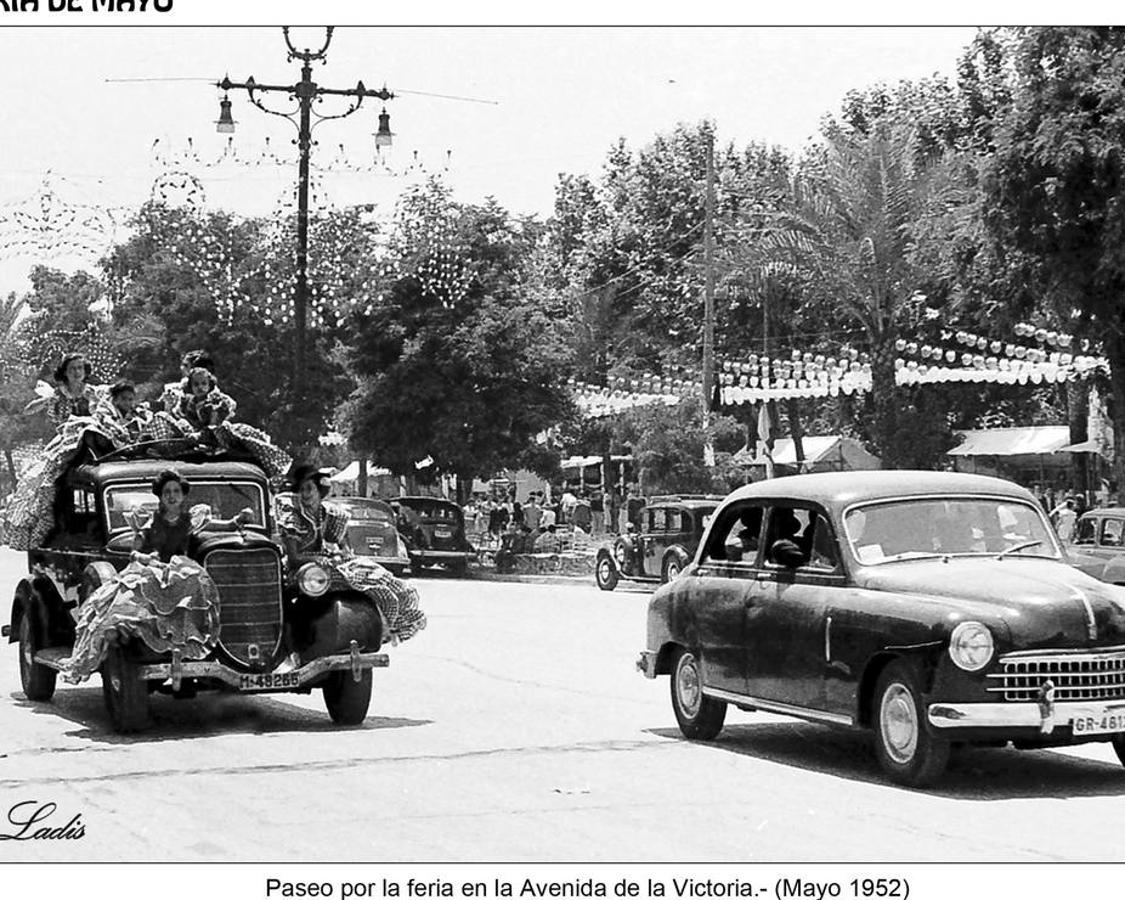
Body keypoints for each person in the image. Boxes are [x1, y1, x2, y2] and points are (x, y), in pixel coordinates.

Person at [277, 465, 426, 643]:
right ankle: (383, 628)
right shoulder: (292, 517)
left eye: (309, 488)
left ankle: (391, 627)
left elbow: (341, 545)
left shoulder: (327, 514)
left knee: (385, 579)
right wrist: (318, 558)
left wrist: (340, 554)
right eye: (301, 490)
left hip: (326, 565)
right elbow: (294, 558)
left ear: (319, 490)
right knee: (372, 584)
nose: (305, 494)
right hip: (305, 573)